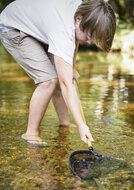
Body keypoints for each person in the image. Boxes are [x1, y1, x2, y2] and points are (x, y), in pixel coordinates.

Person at [0, 0, 116, 146]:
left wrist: (72, 67)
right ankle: (30, 134)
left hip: (35, 25)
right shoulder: (63, 28)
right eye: (89, 35)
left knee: (61, 76)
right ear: (78, 20)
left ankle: (64, 125)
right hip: (13, 26)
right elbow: (66, 85)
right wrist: (81, 125)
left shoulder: (83, 11)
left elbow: (74, 40)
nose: (90, 41)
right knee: (49, 81)